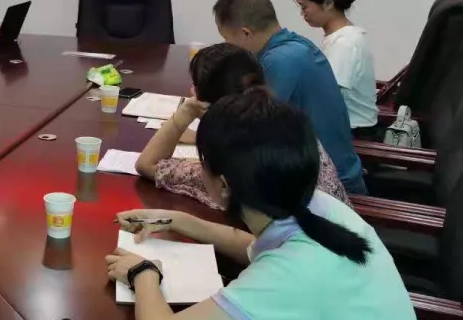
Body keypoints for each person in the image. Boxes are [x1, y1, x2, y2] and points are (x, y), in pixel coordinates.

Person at [106, 91, 424, 320]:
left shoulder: (297, 272)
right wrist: (179, 220)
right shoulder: (317, 207)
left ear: (223, 186)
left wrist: (144, 273)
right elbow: (254, 248)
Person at [135, 44, 349, 209]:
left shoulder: (234, 163)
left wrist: (186, 111)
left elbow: (147, 164)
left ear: (205, 102)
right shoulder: (289, 122)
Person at [213, 0, 365, 194]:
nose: (226, 45)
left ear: (246, 33)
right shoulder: (292, 45)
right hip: (322, 172)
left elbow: (251, 129)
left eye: (226, 38)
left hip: (331, 189)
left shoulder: (279, 61)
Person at [290, 0, 378, 136]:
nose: (302, 14)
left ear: (328, 3)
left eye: (304, 7)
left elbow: (326, 96)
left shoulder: (345, 43)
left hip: (352, 133)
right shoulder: (339, 38)